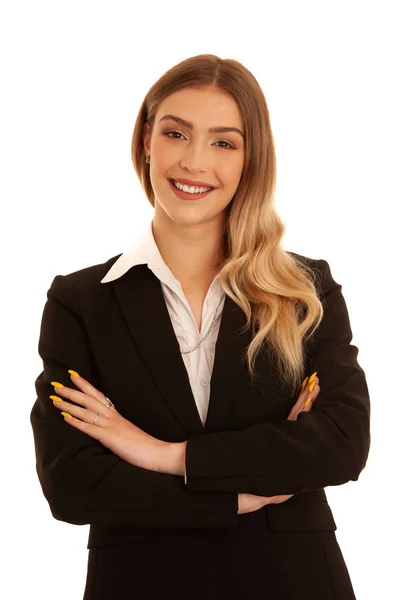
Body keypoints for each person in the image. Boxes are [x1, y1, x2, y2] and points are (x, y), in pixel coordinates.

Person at [30, 53, 370, 599]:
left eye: (223, 142)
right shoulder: (80, 302)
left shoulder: (305, 288)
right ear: (147, 139)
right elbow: (72, 486)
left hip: (293, 580)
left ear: (249, 159)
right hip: (140, 584)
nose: (194, 161)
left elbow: (341, 443)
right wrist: (239, 493)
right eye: (176, 133)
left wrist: (161, 455)